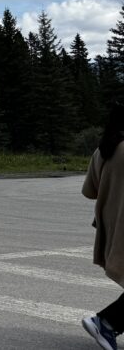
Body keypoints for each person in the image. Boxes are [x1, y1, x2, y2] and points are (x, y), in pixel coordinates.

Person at [83, 102, 124, 349]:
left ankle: (106, 323)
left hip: (113, 231)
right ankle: (105, 322)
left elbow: (90, 191)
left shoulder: (102, 151)